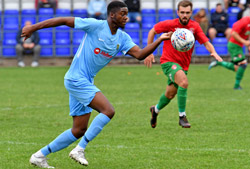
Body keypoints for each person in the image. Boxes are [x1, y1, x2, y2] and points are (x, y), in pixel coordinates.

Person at [23, 1, 171, 168]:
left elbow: (140, 54)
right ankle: (79, 149)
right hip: (76, 79)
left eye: (127, 14)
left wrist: (160, 40)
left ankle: (39, 156)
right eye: (123, 14)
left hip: (85, 81)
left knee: (79, 130)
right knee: (108, 111)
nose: (126, 17)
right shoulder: (95, 25)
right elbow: (63, 20)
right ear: (112, 15)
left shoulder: (122, 38)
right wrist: (33, 27)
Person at [144, 0, 223, 129]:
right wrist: (149, 51)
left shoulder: (195, 27)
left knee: (170, 94)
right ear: (178, 12)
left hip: (183, 66)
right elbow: (152, 31)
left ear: (191, 13)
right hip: (168, 62)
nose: (184, 15)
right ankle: (182, 116)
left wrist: (213, 52)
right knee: (184, 83)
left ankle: (155, 110)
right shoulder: (170, 24)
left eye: (187, 13)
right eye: (182, 12)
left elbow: (206, 42)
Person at [208, 16, 249, 90]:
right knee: (243, 64)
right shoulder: (244, 21)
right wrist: (245, 42)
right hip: (234, 45)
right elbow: (234, 34)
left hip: (238, 46)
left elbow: (247, 34)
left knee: (237, 68)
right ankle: (236, 86)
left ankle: (219, 62)